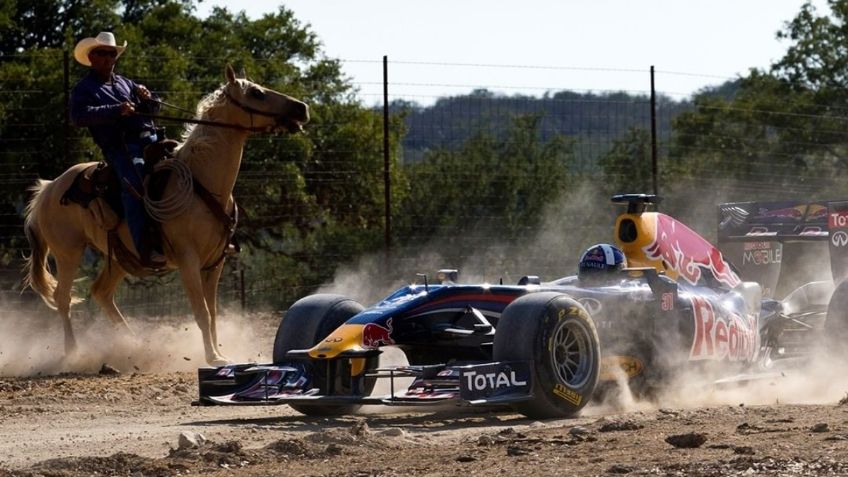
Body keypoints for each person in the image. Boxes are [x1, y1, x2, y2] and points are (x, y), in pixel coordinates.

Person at [69, 32, 165, 267]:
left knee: (187, 168)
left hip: (151, 139)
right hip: (121, 148)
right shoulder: (83, 88)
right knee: (134, 185)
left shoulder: (127, 83)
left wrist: (149, 98)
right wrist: (115, 110)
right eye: (102, 53)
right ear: (91, 57)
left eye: (111, 53)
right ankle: (144, 248)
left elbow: (153, 109)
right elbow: (78, 116)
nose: (107, 57)